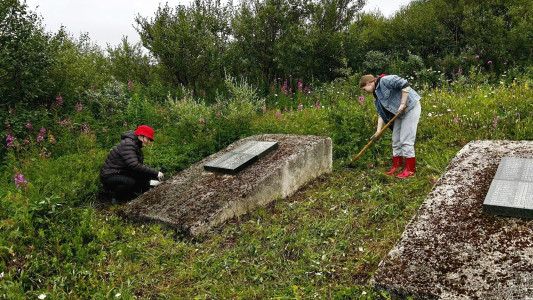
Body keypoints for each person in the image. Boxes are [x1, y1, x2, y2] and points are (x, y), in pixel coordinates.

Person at [360, 74, 421, 178]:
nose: (365, 92)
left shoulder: (385, 80)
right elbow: (381, 114)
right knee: (396, 140)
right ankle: (396, 167)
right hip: (399, 113)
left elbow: (405, 84)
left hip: (410, 108)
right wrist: (378, 131)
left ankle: (410, 171)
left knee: (406, 140)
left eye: (364, 89)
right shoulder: (376, 97)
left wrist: (402, 103)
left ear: (368, 83)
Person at [100, 125, 164, 203]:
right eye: (148, 139)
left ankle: (139, 191)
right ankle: (114, 194)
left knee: (143, 175)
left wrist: (149, 178)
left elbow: (136, 168)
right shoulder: (128, 144)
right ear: (141, 136)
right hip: (110, 175)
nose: (149, 142)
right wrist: (156, 173)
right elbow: (134, 165)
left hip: (121, 172)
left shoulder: (134, 144)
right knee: (130, 183)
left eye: (150, 140)